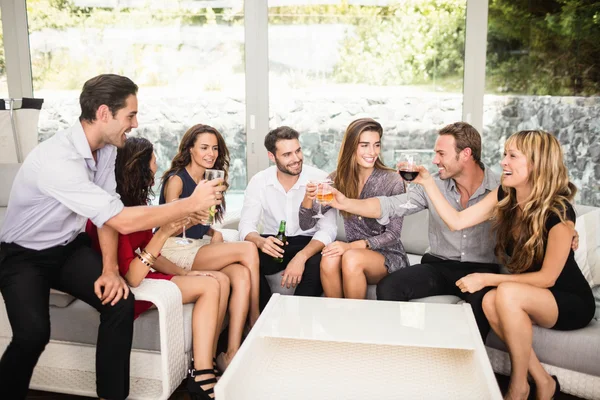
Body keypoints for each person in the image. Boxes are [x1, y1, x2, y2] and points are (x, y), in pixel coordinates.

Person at [0, 74, 221, 400]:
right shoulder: (58, 161)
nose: (134, 123)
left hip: (68, 248)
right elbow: (121, 219)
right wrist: (188, 204)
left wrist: (108, 269)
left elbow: (107, 218)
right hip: (23, 255)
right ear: (104, 113)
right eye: (130, 115)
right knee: (32, 335)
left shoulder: (103, 150)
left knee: (119, 302)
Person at [412, 130, 595, 400]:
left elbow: (547, 279)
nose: (503, 163)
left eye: (512, 156)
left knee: (500, 293)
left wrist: (486, 279)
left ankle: (518, 386)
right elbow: (457, 221)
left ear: (536, 163)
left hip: (568, 300)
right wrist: (427, 183)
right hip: (532, 293)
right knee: (489, 302)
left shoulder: (559, 212)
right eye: (504, 155)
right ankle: (543, 381)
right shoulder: (505, 195)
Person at [328, 122, 501, 339]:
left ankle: (469, 365)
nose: (435, 160)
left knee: (480, 307)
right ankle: (401, 346)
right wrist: (346, 203)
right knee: (390, 286)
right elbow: (389, 206)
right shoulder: (433, 184)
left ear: (465, 154)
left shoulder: (499, 189)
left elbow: (458, 222)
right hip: (440, 264)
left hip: (481, 268)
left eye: (440, 153)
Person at [86, 137, 229, 399]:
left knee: (218, 279)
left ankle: (202, 363)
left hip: (143, 270)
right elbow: (133, 277)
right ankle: (202, 373)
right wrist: (163, 233)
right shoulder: (115, 211)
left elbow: (148, 251)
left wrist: (185, 272)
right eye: (153, 160)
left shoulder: (138, 205)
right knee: (210, 285)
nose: (157, 165)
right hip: (128, 283)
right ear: (140, 166)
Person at [159, 124, 259, 371]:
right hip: (173, 248)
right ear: (190, 149)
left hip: (195, 245)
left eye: (214, 148)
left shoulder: (209, 178)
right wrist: (196, 216)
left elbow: (202, 224)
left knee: (242, 273)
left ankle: (230, 352)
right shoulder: (176, 180)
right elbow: (168, 225)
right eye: (204, 148)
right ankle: (256, 320)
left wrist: (213, 231)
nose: (211, 154)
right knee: (247, 249)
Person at [298, 118, 409, 299]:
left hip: (388, 255)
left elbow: (393, 235)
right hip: (353, 252)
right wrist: (307, 197)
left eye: (376, 145)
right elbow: (306, 224)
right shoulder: (338, 179)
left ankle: (354, 321)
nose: (372, 152)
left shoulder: (392, 180)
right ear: (351, 146)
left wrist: (349, 247)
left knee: (351, 258)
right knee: (328, 258)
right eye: (364, 145)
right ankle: (339, 318)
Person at [238, 126, 337, 309]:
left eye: (298, 151)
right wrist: (259, 241)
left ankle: (298, 322)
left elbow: (328, 229)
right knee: (245, 259)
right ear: (272, 156)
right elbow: (246, 225)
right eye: (287, 155)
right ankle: (265, 317)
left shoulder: (320, 178)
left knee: (318, 263)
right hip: (273, 242)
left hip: (310, 243)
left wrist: (301, 257)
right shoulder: (259, 181)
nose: (296, 159)